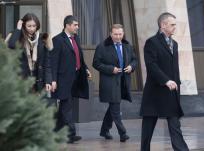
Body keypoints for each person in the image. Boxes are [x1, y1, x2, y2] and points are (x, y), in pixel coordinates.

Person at [140, 12, 189, 151]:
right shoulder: (152, 43)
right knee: (148, 129)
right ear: (163, 25)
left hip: (170, 92)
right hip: (155, 93)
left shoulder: (175, 44)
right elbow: (151, 65)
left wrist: (177, 83)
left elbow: (175, 68)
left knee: (175, 126)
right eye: (172, 24)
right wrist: (166, 80)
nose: (175, 27)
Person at [50, 15, 91, 144]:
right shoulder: (57, 40)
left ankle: (55, 131)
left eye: (77, 25)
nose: (77, 27)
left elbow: (79, 56)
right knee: (67, 106)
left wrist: (85, 69)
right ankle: (71, 134)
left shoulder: (76, 38)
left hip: (76, 78)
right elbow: (54, 61)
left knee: (65, 105)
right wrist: (53, 80)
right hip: (63, 79)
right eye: (75, 25)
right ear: (67, 25)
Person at [93, 24, 137, 142]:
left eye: (120, 34)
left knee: (113, 107)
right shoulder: (102, 47)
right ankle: (123, 133)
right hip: (110, 82)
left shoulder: (127, 46)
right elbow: (96, 63)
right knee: (115, 107)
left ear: (123, 34)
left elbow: (134, 60)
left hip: (123, 81)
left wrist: (131, 67)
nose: (118, 37)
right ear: (110, 34)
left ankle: (104, 130)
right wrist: (110, 69)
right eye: (115, 34)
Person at [6, 13, 52, 93]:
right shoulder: (18, 37)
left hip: (37, 79)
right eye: (29, 26)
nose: (32, 29)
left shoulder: (42, 38)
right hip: (21, 80)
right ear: (24, 25)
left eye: (34, 26)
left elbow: (47, 62)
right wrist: (18, 29)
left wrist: (48, 81)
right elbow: (11, 45)